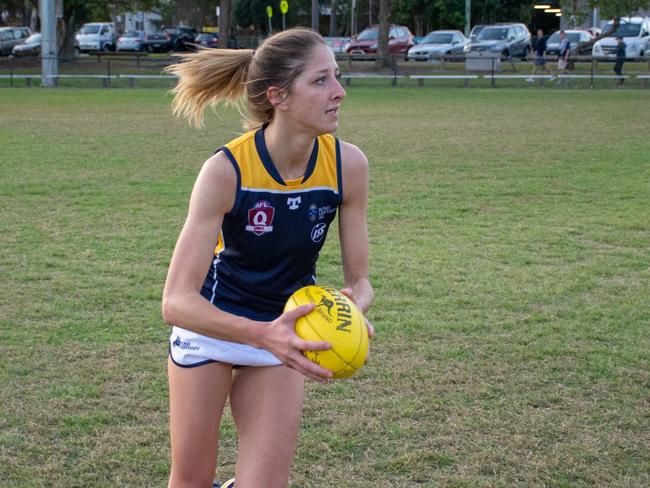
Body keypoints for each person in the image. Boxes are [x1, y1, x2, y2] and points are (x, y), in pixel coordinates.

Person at [162, 28, 374, 488]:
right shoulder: (226, 170)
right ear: (278, 96)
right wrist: (263, 335)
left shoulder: (348, 165)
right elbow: (176, 302)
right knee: (191, 480)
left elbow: (361, 279)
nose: (339, 92)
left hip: (283, 334)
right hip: (212, 327)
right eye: (320, 81)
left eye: (337, 77)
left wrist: (354, 302)